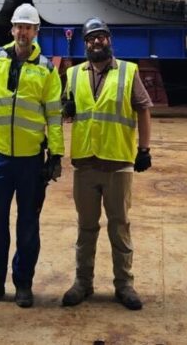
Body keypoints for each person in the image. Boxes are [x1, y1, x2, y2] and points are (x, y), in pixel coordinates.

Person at [0, 3, 64, 309]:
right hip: (0, 159)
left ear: (36, 32)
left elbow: (54, 115)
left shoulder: (47, 69)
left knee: (28, 225)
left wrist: (56, 154)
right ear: (12, 29)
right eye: (19, 26)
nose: (23, 32)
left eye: (28, 28)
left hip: (31, 161)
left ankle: (23, 284)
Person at [61, 17, 152, 311]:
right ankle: (82, 283)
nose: (96, 42)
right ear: (85, 44)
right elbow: (66, 111)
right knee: (85, 228)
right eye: (90, 38)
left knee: (119, 228)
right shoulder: (73, 74)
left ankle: (124, 285)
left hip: (117, 163)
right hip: (85, 164)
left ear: (109, 40)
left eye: (100, 36)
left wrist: (144, 149)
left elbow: (143, 109)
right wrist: (66, 109)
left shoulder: (127, 71)